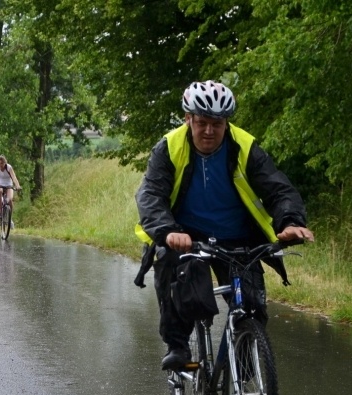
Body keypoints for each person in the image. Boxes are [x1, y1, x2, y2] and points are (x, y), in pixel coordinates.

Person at [135, 80, 315, 371]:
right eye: (202, 123)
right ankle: (178, 346)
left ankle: (241, 377)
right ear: (188, 119)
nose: (209, 131)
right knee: (172, 271)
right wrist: (168, 231)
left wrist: (291, 221)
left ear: (226, 123)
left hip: (237, 237)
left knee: (251, 309)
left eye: (217, 124)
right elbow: (151, 195)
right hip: (186, 236)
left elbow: (278, 189)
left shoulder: (244, 146)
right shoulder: (169, 147)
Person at [0, 155, 22, 221]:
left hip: (8, 185)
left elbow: (14, 178)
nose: (0, 165)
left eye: (1, 163)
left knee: (9, 200)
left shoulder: (9, 168)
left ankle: (10, 218)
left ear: (5, 163)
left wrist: (17, 186)